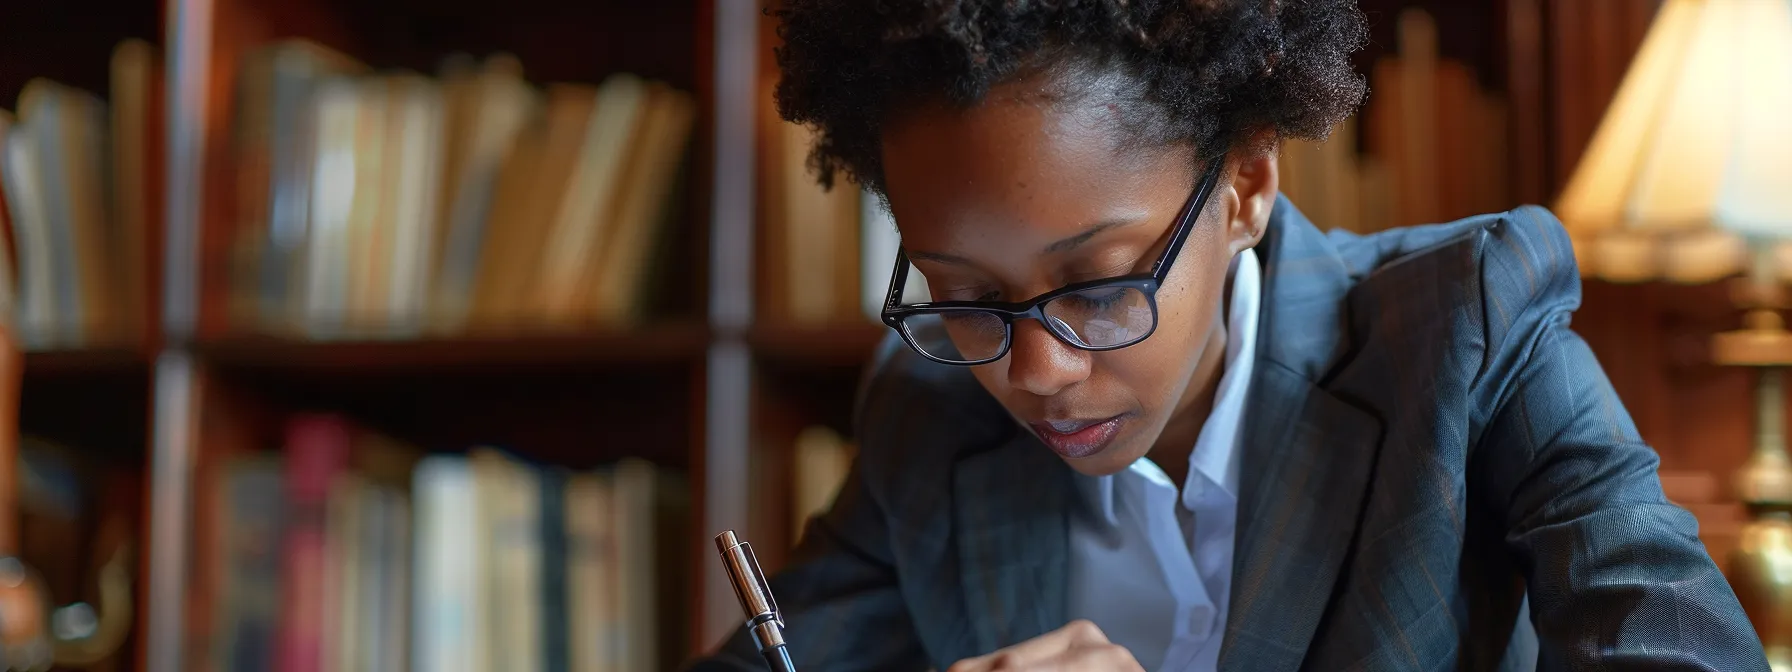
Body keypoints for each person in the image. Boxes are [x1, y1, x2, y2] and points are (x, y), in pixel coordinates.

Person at [689, 1, 1769, 670]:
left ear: (1247, 183)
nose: (1034, 371)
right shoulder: (929, 412)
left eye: (1099, 284)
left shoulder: (1466, 333)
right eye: (963, 293)